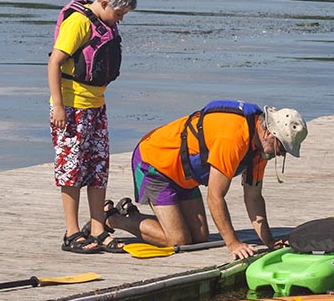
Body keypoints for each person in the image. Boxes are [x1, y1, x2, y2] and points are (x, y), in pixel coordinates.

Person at [106, 100, 308, 260]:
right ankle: (115, 218)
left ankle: (131, 214)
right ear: (269, 133)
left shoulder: (260, 149)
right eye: (282, 147)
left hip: (185, 176)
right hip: (155, 164)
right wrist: (233, 244)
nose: (281, 155)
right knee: (178, 240)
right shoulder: (233, 139)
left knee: (200, 237)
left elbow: (253, 198)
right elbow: (215, 197)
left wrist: (269, 241)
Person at [48, 0, 137, 254]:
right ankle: (71, 232)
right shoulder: (79, 23)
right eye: (118, 14)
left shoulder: (105, 24)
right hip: (72, 108)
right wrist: (59, 107)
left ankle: (98, 227)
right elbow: (54, 63)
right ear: (104, 2)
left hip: (96, 106)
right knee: (71, 170)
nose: (119, 20)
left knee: (98, 169)